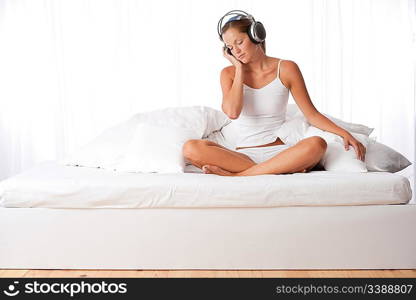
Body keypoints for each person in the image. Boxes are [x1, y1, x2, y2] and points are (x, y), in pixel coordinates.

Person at [182, 10, 366, 176]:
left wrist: (345, 133)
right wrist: (238, 68)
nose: (236, 51)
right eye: (230, 47)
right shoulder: (228, 74)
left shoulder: (286, 68)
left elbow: (311, 114)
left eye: (240, 42)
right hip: (242, 156)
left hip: (280, 151)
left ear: (256, 36)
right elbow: (232, 112)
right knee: (190, 148)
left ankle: (239, 176)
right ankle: (271, 170)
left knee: (317, 144)